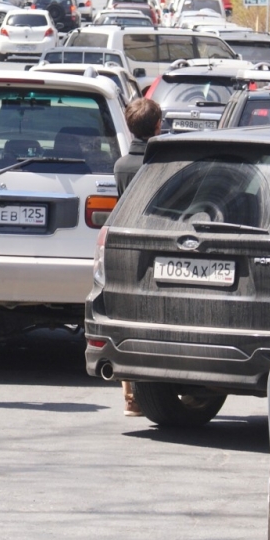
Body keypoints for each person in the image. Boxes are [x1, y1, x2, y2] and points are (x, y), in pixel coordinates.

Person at [112, 97, 162, 417]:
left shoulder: (122, 166)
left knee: (126, 321)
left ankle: (130, 396)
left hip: (127, 249)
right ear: (158, 126)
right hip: (157, 248)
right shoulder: (161, 163)